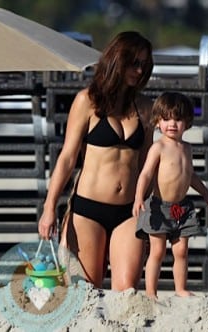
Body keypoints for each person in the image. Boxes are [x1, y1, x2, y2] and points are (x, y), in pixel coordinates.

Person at [38, 31, 154, 290]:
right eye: (134, 63)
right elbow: (67, 158)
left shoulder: (145, 107)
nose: (138, 70)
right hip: (88, 210)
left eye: (143, 65)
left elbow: (147, 162)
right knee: (86, 293)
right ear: (117, 60)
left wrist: (155, 206)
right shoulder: (87, 101)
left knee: (128, 292)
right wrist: (49, 208)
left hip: (129, 211)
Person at [132, 92, 208, 299]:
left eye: (178, 119)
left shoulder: (187, 148)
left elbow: (191, 176)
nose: (172, 124)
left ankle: (180, 289)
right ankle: (151, 292)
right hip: (158, 207)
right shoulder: (158, 147)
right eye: (166, 119)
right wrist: (138, 197)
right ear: (157, 121)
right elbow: (145, 174)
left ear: (187, 123)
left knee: (181, 252)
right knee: (157, 252)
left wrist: (206, 194)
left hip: (182, 208)